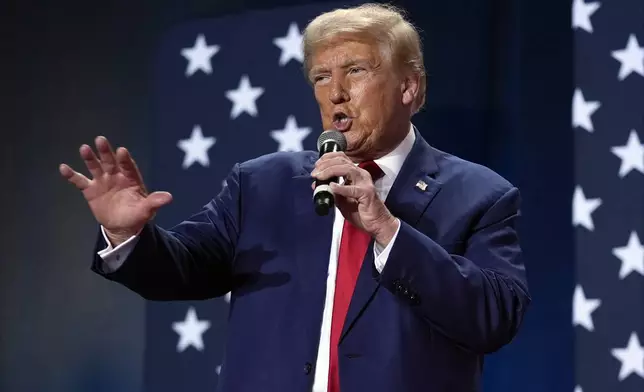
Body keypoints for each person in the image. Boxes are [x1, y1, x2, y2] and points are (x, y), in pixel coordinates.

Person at [59, 3, 530, 392]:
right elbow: (183, 268)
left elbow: (495, 317)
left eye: (356, 71)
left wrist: (388, 231)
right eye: (321, 77)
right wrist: (126, 233)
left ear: (409, 87)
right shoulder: (261, 183)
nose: (337, 93)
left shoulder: (479, 195)